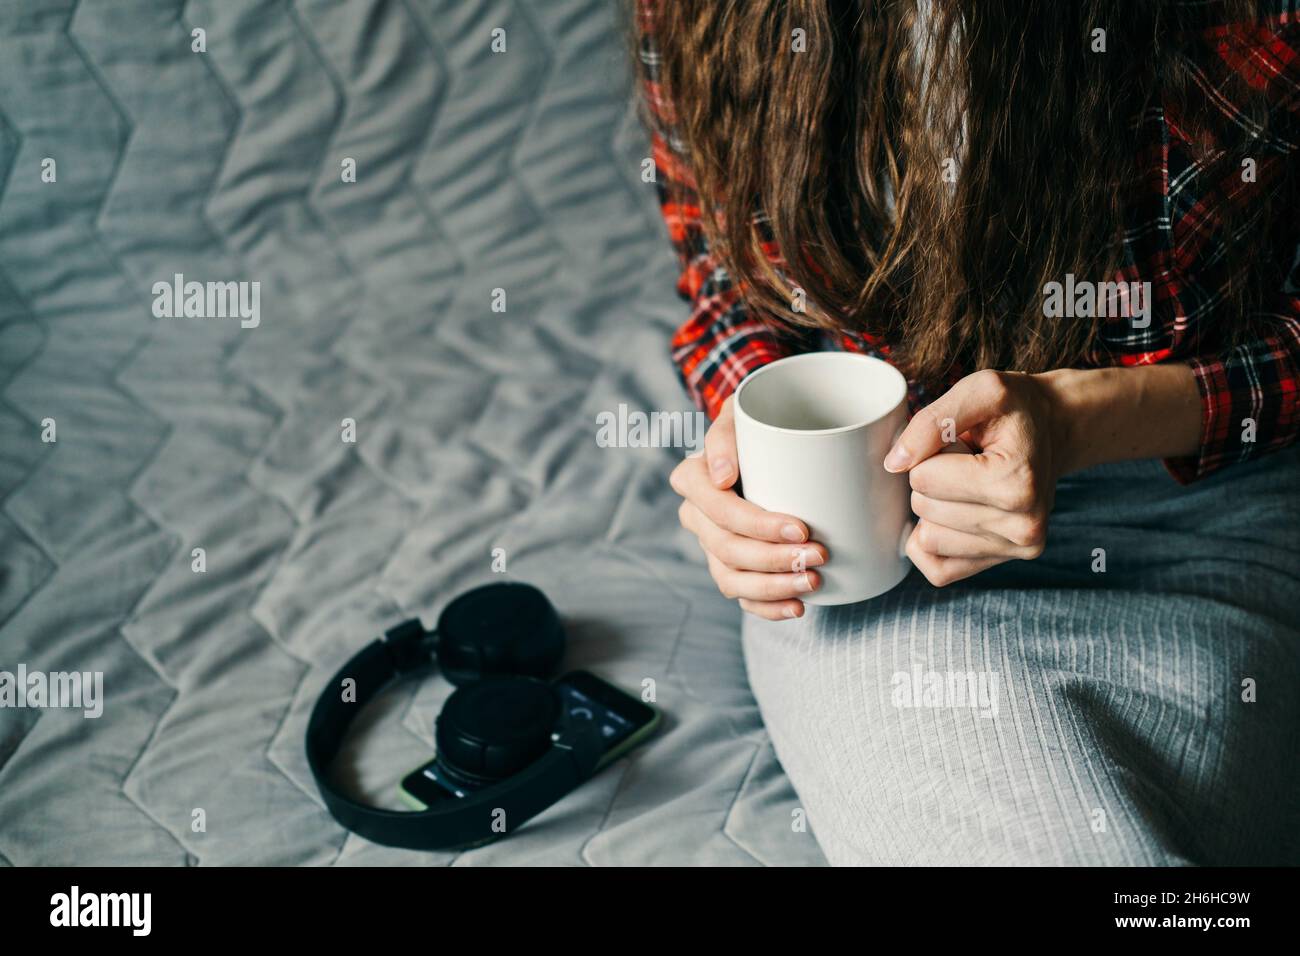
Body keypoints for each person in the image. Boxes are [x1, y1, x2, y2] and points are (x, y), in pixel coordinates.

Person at [637, 0, 1300, 864]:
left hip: (1198, 511)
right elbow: (720, 272)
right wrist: (751, 444)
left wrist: (1077, 421)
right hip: (874, 555)